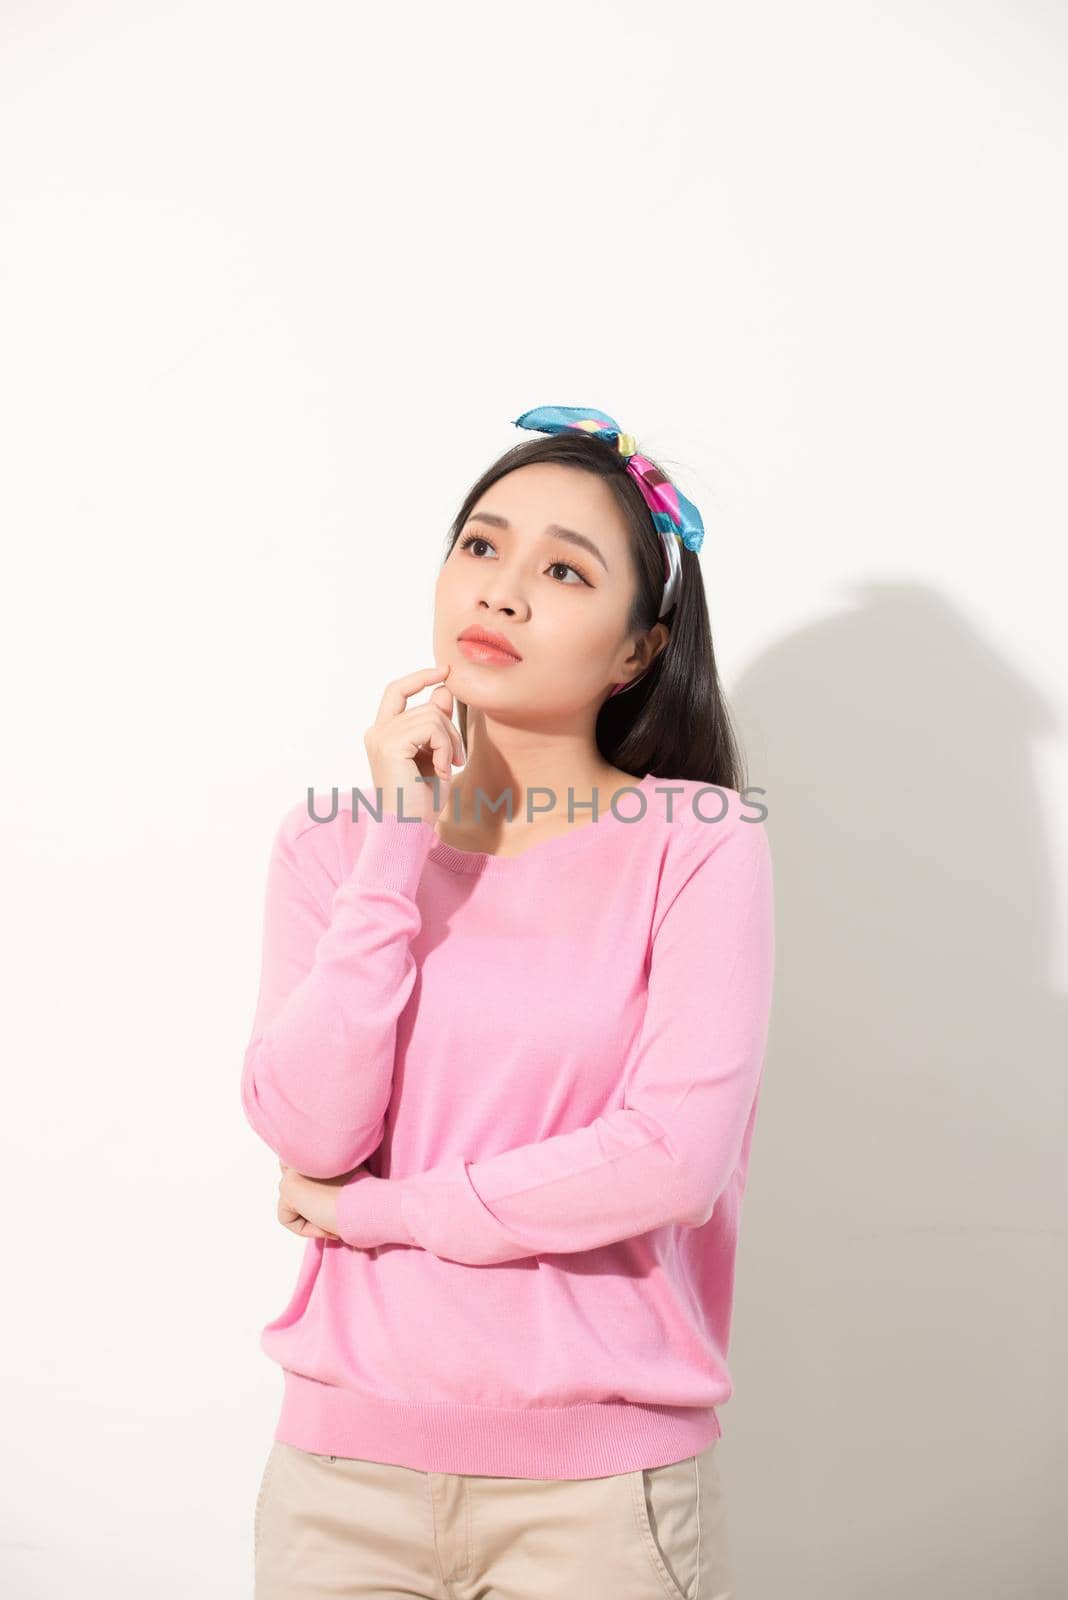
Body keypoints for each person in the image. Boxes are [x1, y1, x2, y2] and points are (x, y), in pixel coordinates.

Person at [242, 405, 776, 1598]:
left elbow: (669, 1160)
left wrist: (378, 1215)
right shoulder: (332, 847)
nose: (505, 591)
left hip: (597, 1501)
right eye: (481, 547)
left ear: (638, 651)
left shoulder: (699, 844)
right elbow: (311, 1133)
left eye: (564, 570)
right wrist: (397, 836)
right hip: (338, 1481)